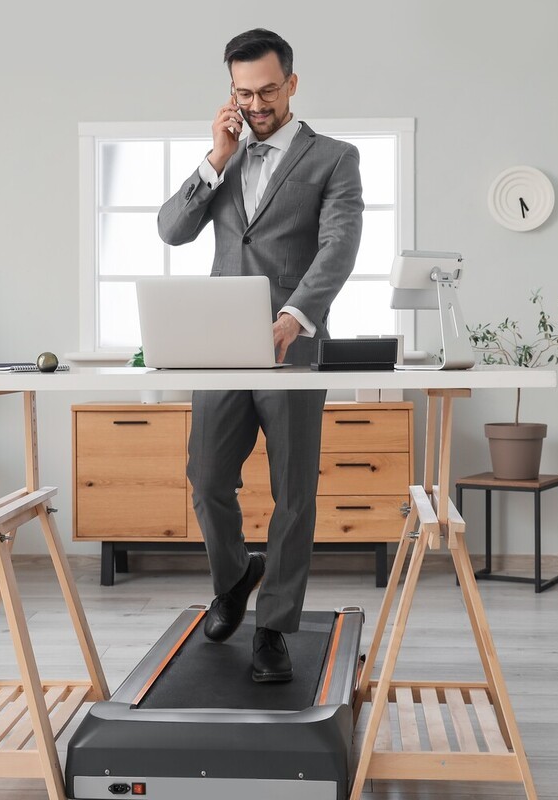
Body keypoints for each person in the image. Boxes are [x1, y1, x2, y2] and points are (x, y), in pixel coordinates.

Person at [157, 28, 363, 683]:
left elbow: (338, 247)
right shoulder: (226, 158)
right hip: (220, 351)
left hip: (292, 348)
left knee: (292, 493)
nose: (256, 103)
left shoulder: (333, 158)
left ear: (292, 84)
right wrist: (214, 159)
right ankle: (234, 576)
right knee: (208, 477)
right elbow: (172, 229)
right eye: (243, 92)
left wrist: (295, 315)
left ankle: (273, 627)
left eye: (268, 90)